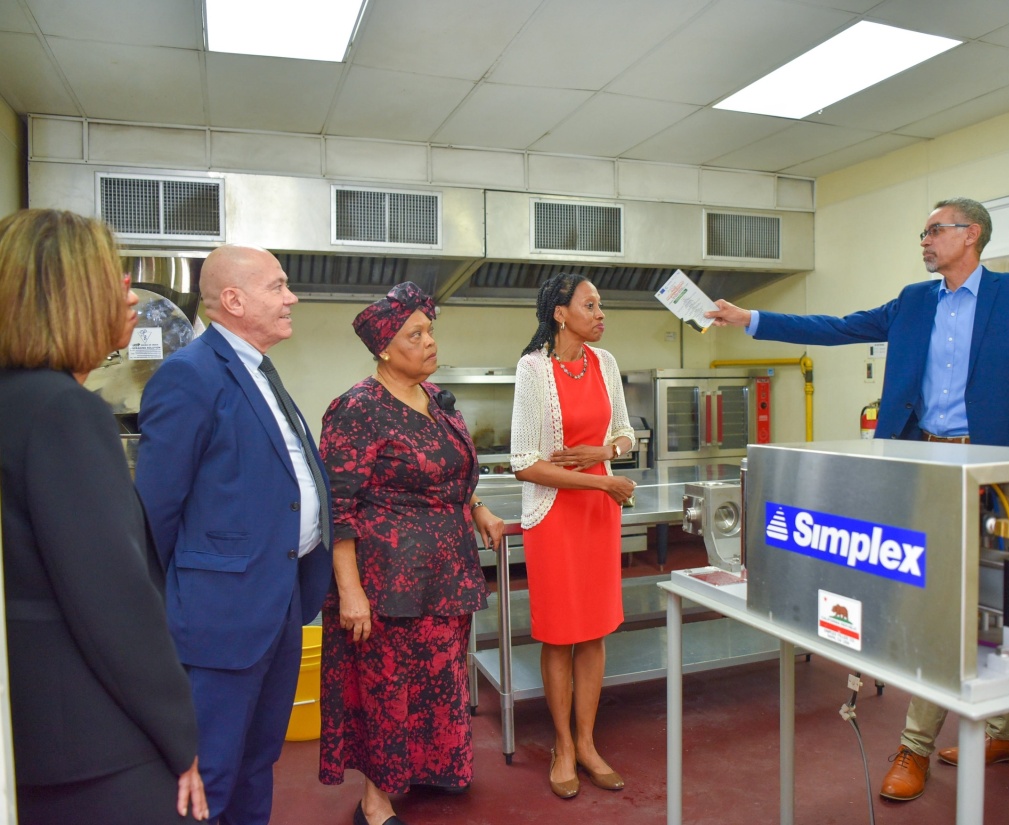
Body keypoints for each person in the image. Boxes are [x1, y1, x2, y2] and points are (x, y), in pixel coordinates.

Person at [705, 196, 1009, 802]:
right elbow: (837, 327)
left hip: (995, 470)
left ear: (972, 234)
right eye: (924, 232)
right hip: (921, 464)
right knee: (927, 600)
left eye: (936, 230)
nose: (925, 240)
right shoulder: (912, 302)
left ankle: (959, 738)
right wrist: (750, 319)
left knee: (988, 604)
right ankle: (969, 738)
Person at [0, 209, 207, 824]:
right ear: (69, 294)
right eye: (110, 275)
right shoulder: (65, 411)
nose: (128, 290)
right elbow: (112, 601)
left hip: (41, 734)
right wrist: (180, 736)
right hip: (98, 743)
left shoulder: (16, 400)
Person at [137, 244, 334, 825]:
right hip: (223, 616)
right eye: (277, 286)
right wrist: (193, 595)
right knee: (212, 775)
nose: (290, 297)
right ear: (233, 299)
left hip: (279, 600)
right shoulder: (189, 375)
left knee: (257, 762)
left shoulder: (259, 370)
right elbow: (155, 512)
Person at [317, 283, 502, 825]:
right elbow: (339, 509)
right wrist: (351, 592)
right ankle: (375, 802)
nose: (429, 342)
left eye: (429, 331)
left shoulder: (436, 399)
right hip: (388, 580)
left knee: (440, 677)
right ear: (383, 348)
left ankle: (430, 767)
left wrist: (479, 508)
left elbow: (452, 475)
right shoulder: (357, 409)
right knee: (388, 689)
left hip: (448, 573)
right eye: (414, 334)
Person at [510, 273, 638, 800]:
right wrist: (600, 478)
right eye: (591, 305)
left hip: (598, 515)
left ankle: (587, 742)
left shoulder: (605, 364)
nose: (600, 313)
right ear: (561, 313)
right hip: (556, 516)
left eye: (601, 304)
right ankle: (563, 746)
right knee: (560, 634)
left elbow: (627, 435)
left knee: (594, 632)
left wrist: (604, 455)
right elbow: (523, 463)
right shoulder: (533, 368)